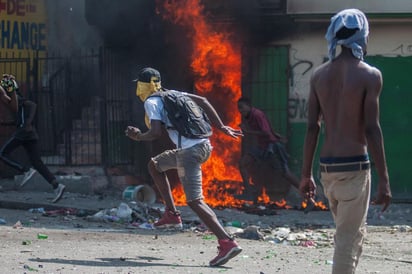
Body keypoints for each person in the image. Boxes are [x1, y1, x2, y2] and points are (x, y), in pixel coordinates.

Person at [299, 9, 391, 274]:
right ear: (362, 36)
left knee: (351, 235)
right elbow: (372, 130)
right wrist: (384, 179)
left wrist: (305, 175)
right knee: (347, 241)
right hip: (354, 170)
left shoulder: (318, 76)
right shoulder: (370, 75)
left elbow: (311, 128)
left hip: (327, 171)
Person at [125, 67, 243, 267]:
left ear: (142, 85)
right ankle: (171, 214)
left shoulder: (152, 102)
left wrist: (138, 136)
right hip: (203, 146)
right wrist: (222, 127)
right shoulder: (174, 93)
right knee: (155, 165)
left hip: (189, 153)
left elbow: (154, 133)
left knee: (195, 201)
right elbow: (204, 102)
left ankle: (227, 242)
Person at [0, 74, 66, 203]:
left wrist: (28, 123)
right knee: (37, 162)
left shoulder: (18, 98)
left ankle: (25, 170)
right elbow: (20, 116)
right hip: (29, 134)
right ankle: (57, 186)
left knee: (3, 153)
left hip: (24, 133)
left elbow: (32, 105)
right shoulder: (14, 101)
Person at [235, 97, 300, 202]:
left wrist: (248, 131)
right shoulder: (251, 115)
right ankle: (250, 193)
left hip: (272, 147)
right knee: (243, 163)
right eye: (239, 108)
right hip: (263, 146)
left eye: (242, 108)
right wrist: (276, 134)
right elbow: (268, 127)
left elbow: (265, 132)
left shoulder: (257, 115)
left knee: (286, 174)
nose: (240, 111)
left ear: (249, 106)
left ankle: (308, 195)